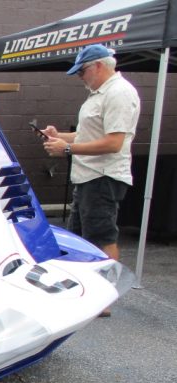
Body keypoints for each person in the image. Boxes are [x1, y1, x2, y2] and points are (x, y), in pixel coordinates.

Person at [42, 45, 140, 314]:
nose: (80, 77)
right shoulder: (100, 93)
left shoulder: (119, 93)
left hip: (102, 176)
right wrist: (58, 136)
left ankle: (105, 300)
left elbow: (114, 142)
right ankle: (85, 294)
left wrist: (67, 148)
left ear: (98, 65)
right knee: (81, 238)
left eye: (82, 71)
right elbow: (89, 135)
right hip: (89, 177)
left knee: (101, 237)